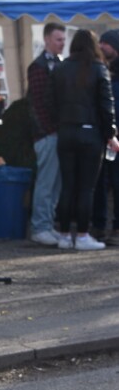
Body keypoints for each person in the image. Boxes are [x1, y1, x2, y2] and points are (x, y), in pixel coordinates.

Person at [46, 29, 119, 250]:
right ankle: (84, 235)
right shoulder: (99, 69)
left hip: (66, 133)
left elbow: (51, 103)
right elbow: (107, 106)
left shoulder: (60, 69)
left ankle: (65, 235)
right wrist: (111, 135)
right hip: (91, 134)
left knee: (68, 186)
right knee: (87, 188)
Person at [27, 21, 66, 245]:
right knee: (46, 182)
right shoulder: (39, 66)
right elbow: (37, 104)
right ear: (47, 40)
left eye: (63, 40)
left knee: (55, 183)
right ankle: (41, 226)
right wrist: (48, 131)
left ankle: (47, 225)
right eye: (59, 39)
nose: (62, 44)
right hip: (47, 134)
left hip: (55, 132)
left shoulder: (58, 64)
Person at [91, 29, 119, 244]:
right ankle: (99, 227)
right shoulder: (99, 70)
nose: (101, 46)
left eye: (105, 43)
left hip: (113, 136)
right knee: (100, 182)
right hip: (103, 135)